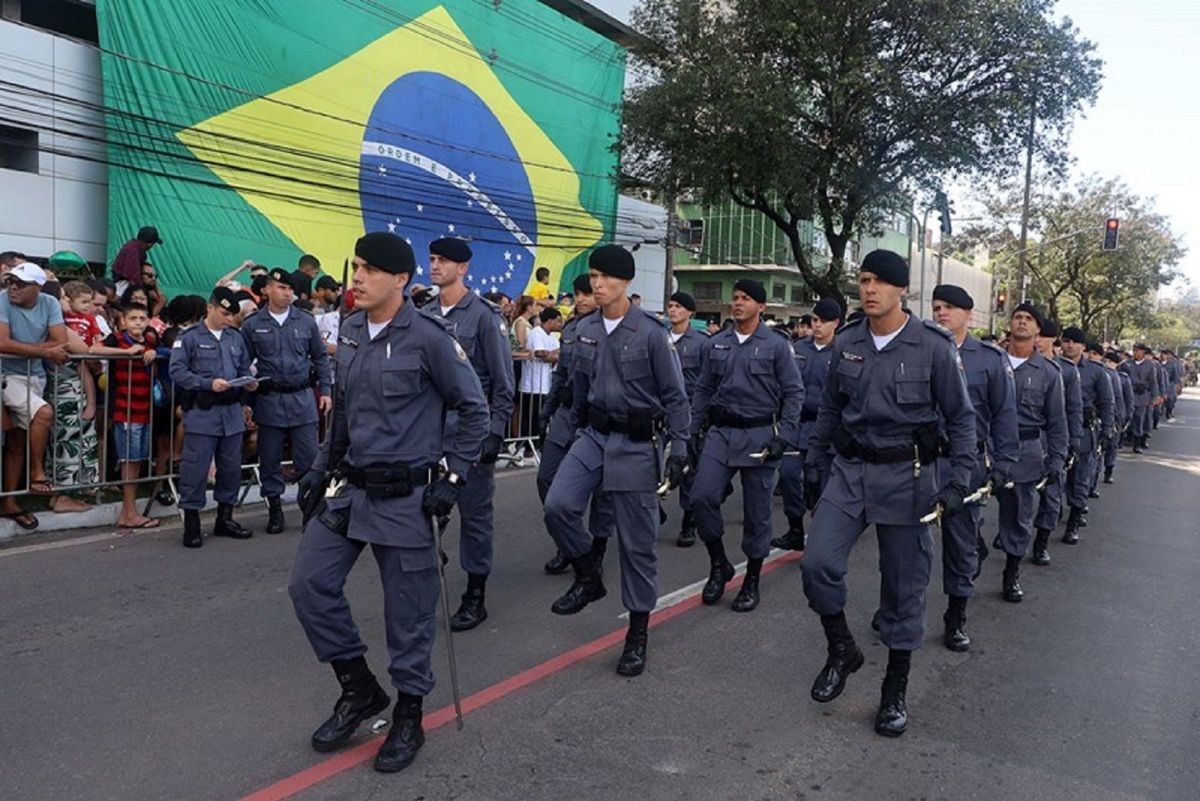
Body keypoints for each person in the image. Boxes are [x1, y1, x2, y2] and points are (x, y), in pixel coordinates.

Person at [288, 231, 488, 774]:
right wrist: (319, 467)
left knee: (410, 614)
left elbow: (474, 411)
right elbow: (347, 412)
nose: (357, 278)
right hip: (351, 489)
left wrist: (454, 473)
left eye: (370, 270)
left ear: (400, 279)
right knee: (309, 584)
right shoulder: (351, 331)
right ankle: (359, 689)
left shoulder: (428, 336)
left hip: (408, 497)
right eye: (356, 267)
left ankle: (409, 713)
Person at [800, 250, 976, 738]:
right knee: (817, 564)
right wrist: (815, 463)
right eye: (863, 280)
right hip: (852, 470)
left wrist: (960, 479)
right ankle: (842, 649)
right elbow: (831, 410)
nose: (869, 288)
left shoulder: (934, 347)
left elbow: (961, 419)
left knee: (903, 587)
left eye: (878, 281)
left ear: (901, 290)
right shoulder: (849, 343)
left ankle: (894, 688)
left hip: (910, 477)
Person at [543, 244, 690, 676]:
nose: (597, 283)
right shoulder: (585, 328)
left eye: (606, 277)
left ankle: (637, 634)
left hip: (635, 443)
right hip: (592, 434)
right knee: (558, 505)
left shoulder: (650, 333)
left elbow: (676, 398)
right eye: (593, 275)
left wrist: (679, 450)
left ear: (625, 282)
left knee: (636, 545)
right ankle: (589, 574)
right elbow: (576, 386)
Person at [689, 279, 804, 611]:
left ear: (761, 307)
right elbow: (703, 390)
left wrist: (785, 435)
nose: (738, 303)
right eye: (735, 297)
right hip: (721, 433)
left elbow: (794, 392)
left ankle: (752, 579)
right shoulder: (717, 343)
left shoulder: (777, 345)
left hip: (759, 436)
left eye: (746, 299)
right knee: (702, 497)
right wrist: (692, 430)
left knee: (757, 514)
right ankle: (719, 564)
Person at [425, 237, 516, 632]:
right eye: (431, 259)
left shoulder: (483, 315)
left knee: (475, 519)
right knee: (421, 517)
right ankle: (427, 572)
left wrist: (495, 432)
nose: (434, 266)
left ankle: (474, 595)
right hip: (429, 436)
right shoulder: (424, 313)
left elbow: (502, 381)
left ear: (463, 268)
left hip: (469, 433)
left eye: (442, 260)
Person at [927, 285, 1019, 651]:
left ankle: (956, 614)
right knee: (904, 540)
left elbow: (1004, 416)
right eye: (936, 307)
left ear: (969, 314)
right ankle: (897, 608)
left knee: (960, 542)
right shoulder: (921, 350)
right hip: (922, 459)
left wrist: (1003, 464)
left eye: (949, 308)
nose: (941, 314)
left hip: (965, 463)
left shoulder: (990, 359)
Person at [240, 268, 332, 534]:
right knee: (270, 459)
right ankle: (275, 510)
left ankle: (311, 508)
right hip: (269, 399)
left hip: (302, 398)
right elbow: (243, 364)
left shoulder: (305, 321)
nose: (287, 293)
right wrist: (246, 399)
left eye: (290, 289)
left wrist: (325, 390)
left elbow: (320, 357)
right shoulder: (253, 323)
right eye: (281, 288)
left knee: (309, 458)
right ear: (267, 289)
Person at [168, 287, 257, 548]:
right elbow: (177, 371)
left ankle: (225, 518)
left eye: (233, 315)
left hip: (230, 412)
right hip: (203, 411)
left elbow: (242, 368)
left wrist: (248, 385)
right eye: (225, 313)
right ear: (210, 308)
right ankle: (192, 522)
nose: (229, 319)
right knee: (195, 468)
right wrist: (207, 384)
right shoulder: (190, 337)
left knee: (230, 468)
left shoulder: (235, 337)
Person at [537, 274, 614, 574]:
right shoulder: (569, 329)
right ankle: (568, 541)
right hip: (567, 415)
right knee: (546, 478)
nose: (581, 299)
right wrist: (547, 410)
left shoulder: (609, 329)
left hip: (595, 419)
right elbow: (560, 374)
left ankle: (597, 547)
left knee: (602, 491)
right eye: (577, 294)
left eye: (587, 294)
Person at [995, 303, 1068, 596]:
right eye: (1018, 317)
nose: (1022, 322)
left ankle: (1011, 571)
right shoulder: (992, 362)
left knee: (1018, 516)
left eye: (1029, 319)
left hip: (1025, 452)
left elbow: (1057, 422)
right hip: (986, 449)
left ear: (1038, 330)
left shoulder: (1049, 373)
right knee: (965, 511)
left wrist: (1057, 460)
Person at [0, 262, 70, 529]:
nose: (13, 287)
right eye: (10, 282)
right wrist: (44, 351)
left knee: (17, 439)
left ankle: (8, 500)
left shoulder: (50, 303)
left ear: (37, 287)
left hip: (35, 376)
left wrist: (25, 349)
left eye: (20, 283)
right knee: (44, 413)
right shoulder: (2, 300)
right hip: (7, 376)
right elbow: (2, 343)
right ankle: (37, 472)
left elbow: (61, 342)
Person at [775, 297, 842, 552]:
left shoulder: (842, 352)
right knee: (789, 475)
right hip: (797, 426)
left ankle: (821, 536)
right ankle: (794, 528)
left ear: (835, 323)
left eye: (823, 321)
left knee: (823, 486)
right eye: (814, 320)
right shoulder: (798, 349)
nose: (817, 326)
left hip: (825, 430)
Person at [102, 303, 163, 529]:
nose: (138, 322)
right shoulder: (116, 339)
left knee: (136, 459)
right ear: (124, 321)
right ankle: (129, 511)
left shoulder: (148, 343)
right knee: (129, 459)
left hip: (144, 409)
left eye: (142, 318)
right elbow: (92, 350)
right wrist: (125, 353)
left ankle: (130, 511)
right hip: (125, 409)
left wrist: (153, 352)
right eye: (133, 318)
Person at [1028, 321, 1080, 564]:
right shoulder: (1014, 363)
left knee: (1051, 492)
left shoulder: (1065, 371)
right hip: (1026, 439)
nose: (1037, 340)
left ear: (1052, 340)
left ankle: (1041, 542)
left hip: (1052, 438)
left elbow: (1071, 411)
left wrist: (1071, 444)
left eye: (1042, 336)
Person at [1059, 328, 1113, 544]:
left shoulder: (1097, 371)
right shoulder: (1054, 366)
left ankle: (1073, 522)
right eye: (1066, 341)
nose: (1070, 345)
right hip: (1057, 430)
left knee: (1080, 477)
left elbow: (1106, 403)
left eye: (1075, 342)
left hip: (1083, 430)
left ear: (1083, 346)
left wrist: (1107, 430)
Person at [664, 291, 707, 547]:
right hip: (659, 411)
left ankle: (688, 521)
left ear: (690, 312)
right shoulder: (659, 337)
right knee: (647, 462)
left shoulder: (701, 342)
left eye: (678, 306)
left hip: (688, 412)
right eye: (670, 305)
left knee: (686, 465)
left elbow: (707, 382)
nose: (673, 310)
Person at [519, 307, 562, 447]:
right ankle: (527, 447)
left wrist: (552, 355)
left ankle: (538, 445)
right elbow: (540, 353)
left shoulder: (552, 336)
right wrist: (552, 355)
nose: (560, 324)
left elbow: (559, 354)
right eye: (558, 321)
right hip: (533, 385)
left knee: (542, 419)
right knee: (531, 419)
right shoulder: (537, 332)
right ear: (549, 321)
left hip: (545, 385)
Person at [1121, 343, 1158, 452]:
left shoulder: (1150, 365)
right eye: (1134, 350)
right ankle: (1123, 438)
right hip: (1128, 394)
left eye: (1137, 351)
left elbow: (1153, 382)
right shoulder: (1126, 364)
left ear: (1143, 352)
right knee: (1125, 416)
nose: (1135, 353)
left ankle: (1137, 443)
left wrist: (1154, 396)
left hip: (1142, 395)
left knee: (1138, 418)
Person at [111, 226, 162, 293]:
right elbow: (134, 279)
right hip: (122, 284)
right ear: (149, 244)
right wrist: (145, 293)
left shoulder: (136, 247)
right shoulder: (133, 251)